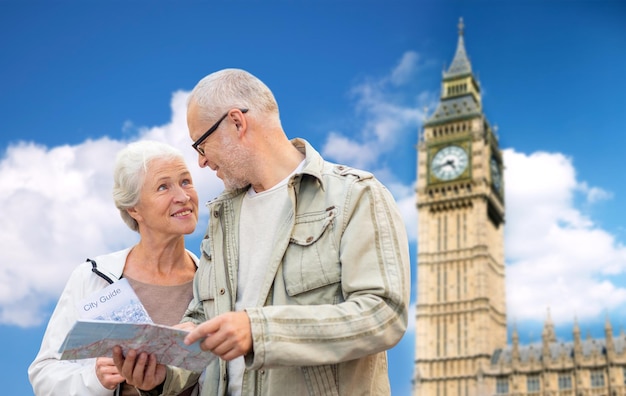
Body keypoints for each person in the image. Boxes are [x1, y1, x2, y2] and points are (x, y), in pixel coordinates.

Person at [113, 68, 411, 396]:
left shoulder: (355, 196)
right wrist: (161, 375)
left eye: (201, 144)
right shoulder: (221, 219)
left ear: (237, 123)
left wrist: (260, 331)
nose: (201, 163)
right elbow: (201, 321)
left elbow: (383, 314)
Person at [29, 140, 200, 396]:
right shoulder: (92, 277)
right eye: (163, 186)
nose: (183, 196)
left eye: (186, 181)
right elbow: (44, 374)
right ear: (134, 209)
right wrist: (96, 379)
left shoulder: (213, 280)